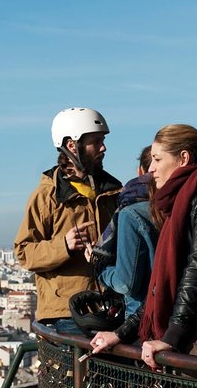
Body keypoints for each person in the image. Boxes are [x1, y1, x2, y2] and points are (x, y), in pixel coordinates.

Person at [90, 124, 197, 370]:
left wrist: (171, 336)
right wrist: (121, 334)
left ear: (183, 158)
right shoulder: (183, 200)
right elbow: (161, 287)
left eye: (158, 159)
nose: (151, 169)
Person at [14, 107, 122, 334]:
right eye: (95, 142)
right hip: (66, 312)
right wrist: (63, 245)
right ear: (72, 145)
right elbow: (24, 252)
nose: (103, 148)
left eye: (102, 141)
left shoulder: (113, 191)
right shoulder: (47, 196)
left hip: (109, 307)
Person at [93, 145, 159, 317]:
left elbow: (125, 283)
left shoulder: (130, 213)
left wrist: (102, 270)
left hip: (141, 317)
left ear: (140, 171)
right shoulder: (184, 204)